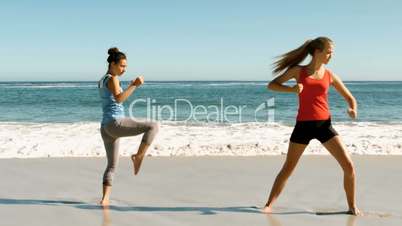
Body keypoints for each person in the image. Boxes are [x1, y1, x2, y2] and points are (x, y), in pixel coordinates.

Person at [262, 37, 361, 215]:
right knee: (288, 168)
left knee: (349, 166)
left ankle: (352, 207)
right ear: (318, 52)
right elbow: (272, 85)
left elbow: (350, 98)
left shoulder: (330, 75)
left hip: (324, 126)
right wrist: (291, 90)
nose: (332, 55)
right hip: (303, 126)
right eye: (329, 51)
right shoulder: (298, 71)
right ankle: (269, 205)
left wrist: (352, 109)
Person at [98, 47, 159, 206]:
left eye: (125, 67)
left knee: (111, 166)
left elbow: (114, 98)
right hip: (115, 122)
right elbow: (119, 99)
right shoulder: (113, 79)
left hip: (105, 128)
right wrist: (134, 85)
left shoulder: (102, 80)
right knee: (153, 125)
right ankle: (138, 156)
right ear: (112, 64)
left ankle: (105, 199)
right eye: (122, 66)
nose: (124, 69)